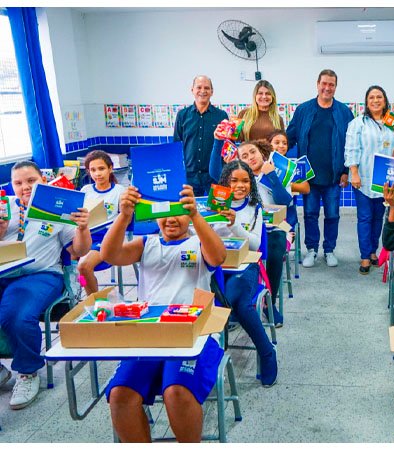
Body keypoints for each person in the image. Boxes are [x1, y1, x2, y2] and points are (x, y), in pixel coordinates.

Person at [100, 183, 227, 443]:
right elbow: (110, 255)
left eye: (178, 212)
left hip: (193, 335)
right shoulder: (146, 243)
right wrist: (124, 216)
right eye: (164, 212)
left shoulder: (198, 241)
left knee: (176, 392)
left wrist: (195, 216)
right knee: (120, 395)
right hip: (149, 334)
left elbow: (218, 257)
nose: (171, 219)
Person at [0, 161, 91, 410]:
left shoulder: (56, 209)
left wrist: (83, 227)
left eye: (31, 181)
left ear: (43, 180)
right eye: (18, 183)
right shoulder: (5, 207)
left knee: (16, 315)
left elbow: (78, 250)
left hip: (40, 275)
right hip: (3, 272)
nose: (25, 187)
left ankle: (28, 372)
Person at [210, 160, 278, 382]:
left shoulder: (254, 208)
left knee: (235, 300)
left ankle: (267, 352)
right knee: (220, 300)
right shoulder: (213, 206)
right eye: (234, 180)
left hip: (245, 266)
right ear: (225, 182)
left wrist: (234, 225)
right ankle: (209, 359)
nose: (240, 185)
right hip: (215, 268)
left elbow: (255, 244)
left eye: (245, 181)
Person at [286, 69, 354, 268]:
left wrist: (346, 172)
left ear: (335, 87)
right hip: (309, 177)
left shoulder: (344, 112)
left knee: (332, 215)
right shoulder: (303, 110)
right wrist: (275, 154)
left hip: (334, 176)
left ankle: (329, 250)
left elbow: (350, 145)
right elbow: (289, 137)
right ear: (317, 84)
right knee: (310, 214)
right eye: (324, 83)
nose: (327, 88)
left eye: (331, 84)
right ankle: (312, 250)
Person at [344, 85, 394, 274]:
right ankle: (364, 256)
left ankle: (372, 251)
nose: (375, 100)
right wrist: (354, 172)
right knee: (365, 217)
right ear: (366, 101)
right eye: (371, 97)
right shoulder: (358, 123)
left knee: (379, 217)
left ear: (385, 100)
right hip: (362, 178)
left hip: (384, 180)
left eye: (379, 97)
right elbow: (351, 149)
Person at [238, 140, 293, 326]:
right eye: (244, 156)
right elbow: (215, 173)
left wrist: (271, 176)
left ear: (261, 153)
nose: (250, 158)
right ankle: (236, 304)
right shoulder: (240, 179)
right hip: (246, 229)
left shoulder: (278, 172)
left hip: (275, 229)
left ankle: (269, 303)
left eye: (252, 152)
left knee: (275, 248)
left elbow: (285, 202)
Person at [77, 150, 125, 295]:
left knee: (83, 266)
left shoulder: (120, 191)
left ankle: (95, 300)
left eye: (101, 168)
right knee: (66, 263)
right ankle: (75, 294)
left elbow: (126, 219)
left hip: (106, 237)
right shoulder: (85, 190)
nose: (97, 174)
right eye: (93, 170)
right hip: (83, 234)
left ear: (110, 168)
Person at [173, 75, 228, 196]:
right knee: (189, 207)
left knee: (217, 207)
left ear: (212, 91)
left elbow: (227, 147)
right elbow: (176, 146)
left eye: (207, 88)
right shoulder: (182, 115)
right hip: (189, 177)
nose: (203, 91)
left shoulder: (221, 116)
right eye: (199, 87)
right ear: (192, 90)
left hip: (214, 177)